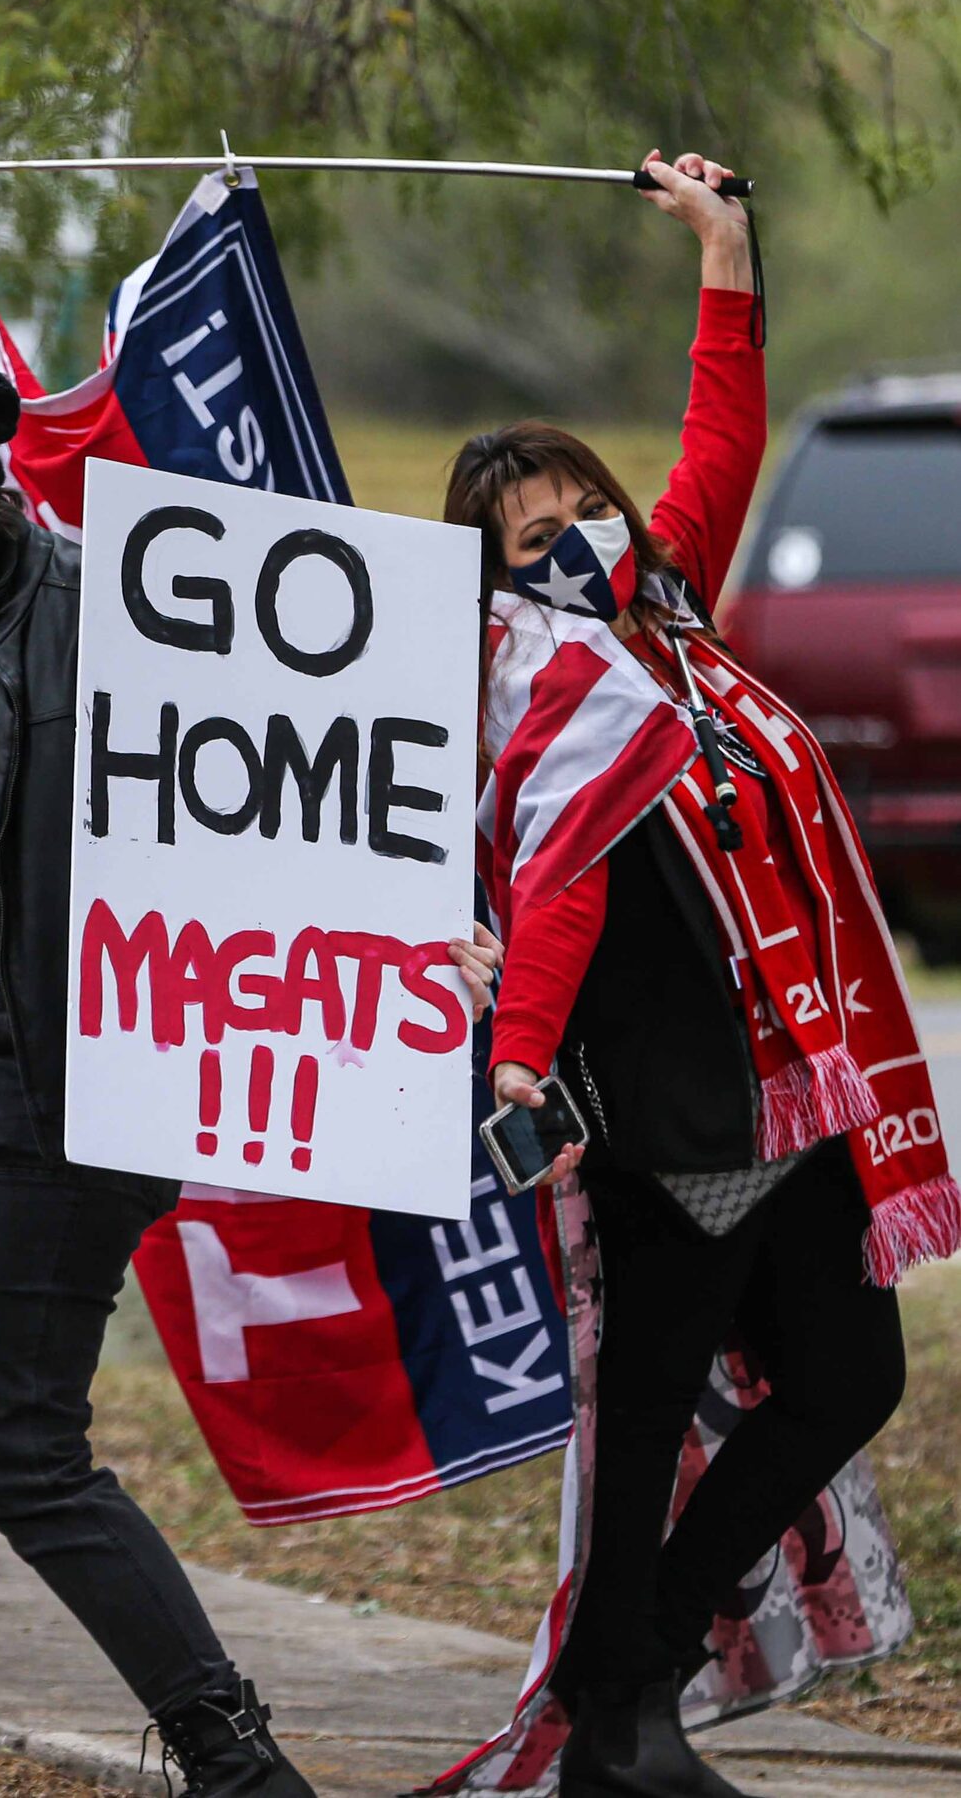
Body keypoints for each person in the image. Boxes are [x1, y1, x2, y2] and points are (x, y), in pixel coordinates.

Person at [0, 357, 502, 1798]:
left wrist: (400, 942)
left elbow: (275, 794)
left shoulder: (115, 625)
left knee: (17, 1448)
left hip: (59, 1079)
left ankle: (237, 1761)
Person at [444, 149, 958, 1798]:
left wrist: (729, 253)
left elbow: (725, 437)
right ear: (489, 578)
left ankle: (639, 1672)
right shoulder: (542, 699)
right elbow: (563, 891)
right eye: (534, 540)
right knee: (639, 1444)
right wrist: (517, 1055)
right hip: (666, 1122)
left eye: (585, 509)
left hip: (797, 1095)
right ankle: (620, 1725)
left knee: (850, 1376)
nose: (576, 545)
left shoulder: (670, 614)